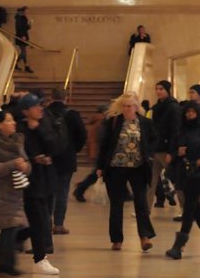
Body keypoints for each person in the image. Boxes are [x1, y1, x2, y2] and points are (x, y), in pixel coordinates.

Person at [96, 92, 157, 251]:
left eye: (130, 106)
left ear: (136, 107)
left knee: (141, 203)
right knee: (116, 204)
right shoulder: (114, 122)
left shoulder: (145, 122)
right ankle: (117, 239)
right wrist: (100, 166)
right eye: (124, 106)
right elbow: (104, 145)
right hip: (116, 168)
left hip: (138, 168)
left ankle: (144, 237)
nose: (127, 109)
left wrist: (147, 152)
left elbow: (153, 140)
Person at [14, 94, 60, 274]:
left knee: (39, 220)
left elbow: (55, 147)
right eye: (35, 106)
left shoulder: (43, 125)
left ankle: (10, 240)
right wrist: (35, 159)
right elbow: (19, 154)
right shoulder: (19, 130)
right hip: (29, 182)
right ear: (26, 111)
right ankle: (40, 258)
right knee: (38, 220)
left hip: (44, 180)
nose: (40, 109)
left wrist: (39, 129)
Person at [0, 111, 31, 276]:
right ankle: (6, 265)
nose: (13, 123)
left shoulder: (17, 140)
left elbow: (25, 162)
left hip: (16, 190)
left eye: (13, 120)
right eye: (8, 121)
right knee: (9, 227)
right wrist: (11, 164)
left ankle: (1, 262)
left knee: (14, 227)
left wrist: (25, 167)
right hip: (0, 191)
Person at [46, 88, 87, 234]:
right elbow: (82, 135)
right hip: (66, 158)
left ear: (50, 97)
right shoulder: (72, 115)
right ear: (66, 98)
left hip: (48, 158)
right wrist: (73, 149)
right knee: (62, 191)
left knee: (47, 191)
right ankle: (58, 224)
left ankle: (46, 223)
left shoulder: (45, 113)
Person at [166, 102, 200, 259]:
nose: (190, 115)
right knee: (193, 208)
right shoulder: (180, 131)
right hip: (186, 175)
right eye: (188, 112)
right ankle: (178, 246)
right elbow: (171, 154)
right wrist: (177, 153)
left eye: (193, 112)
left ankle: (178, 246)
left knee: (190, 208)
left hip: (198, 173)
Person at [147, 80, 182, 211]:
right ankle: (145, 209)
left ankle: (186, 211)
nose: (158, 91)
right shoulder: (156, 108)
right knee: (150, 180)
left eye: (161, 89)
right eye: (157, 89)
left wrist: (172, 152)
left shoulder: (173, 107)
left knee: (176, 181)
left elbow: (176, 130)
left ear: (167, 90)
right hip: (156, 149)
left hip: (167, 150)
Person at [73, 104, 108, 201]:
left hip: (98, 151)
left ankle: (80, 188)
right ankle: (80, 189)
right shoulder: (101, 122)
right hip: (101, 152)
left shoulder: (96, 121)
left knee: (100, 173)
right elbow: (102, 138)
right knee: (97, 174)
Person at [15, 6, 32, 73]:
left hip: (23, 36)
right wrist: (22, 36)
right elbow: (19, 28)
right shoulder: (19, 18)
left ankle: (26, 66)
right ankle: (15, 64)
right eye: (26, 11)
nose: (27, 12)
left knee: (24, 52)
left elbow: (25, 28)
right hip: (21, 37)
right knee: (23, 52)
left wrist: (29, 25)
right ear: (23, 11)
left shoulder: (22, 18)